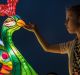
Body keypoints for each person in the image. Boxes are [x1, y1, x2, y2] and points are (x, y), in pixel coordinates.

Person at [23, 5, 80, 75]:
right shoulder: (70, 46)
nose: (65, 23)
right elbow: (47, 47)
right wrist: (35, 30)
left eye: (69, 19)